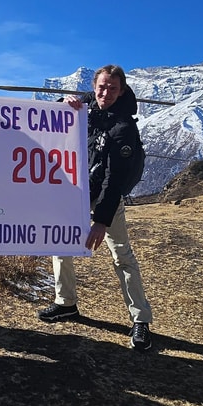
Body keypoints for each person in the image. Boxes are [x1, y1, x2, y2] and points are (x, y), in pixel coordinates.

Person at [38, 65, 154, 351]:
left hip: (105, 197)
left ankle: (140, 320)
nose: (106, 93)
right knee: (61, 245)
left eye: (113, 89)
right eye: (102, 87)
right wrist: (61, 106)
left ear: (122, 90)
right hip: (76, 191)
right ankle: (66, 304)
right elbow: (45, 123)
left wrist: (101, 221)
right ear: (94, 86)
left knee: (121, 254)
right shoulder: (84, 108)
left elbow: (115, 180)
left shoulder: (123, 127)